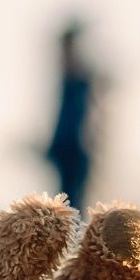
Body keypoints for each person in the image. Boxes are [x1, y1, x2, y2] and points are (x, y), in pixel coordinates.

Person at [44, 18, 100, 208]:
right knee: (68, 200)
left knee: (71, 201)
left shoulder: (79, 76)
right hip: (69, 146)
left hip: (74, 145)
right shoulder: (74, 77)